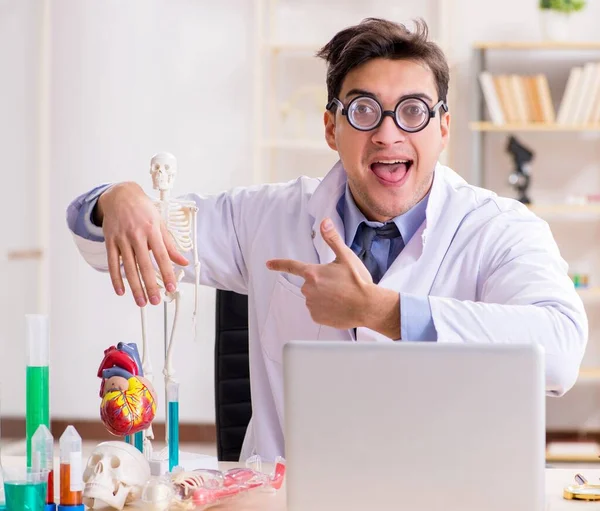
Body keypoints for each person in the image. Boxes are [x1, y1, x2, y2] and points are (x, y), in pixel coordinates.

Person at [66, 17, 588, 461]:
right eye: (363, 110)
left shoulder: (500, 229)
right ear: (331, 128)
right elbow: (105, 241)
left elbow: (561, 351)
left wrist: (384, 311)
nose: (388, 133)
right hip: (282, 496)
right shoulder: (266, 216)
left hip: (439, 493)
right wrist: (115, 198)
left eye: (413, 111)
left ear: (443, 129)